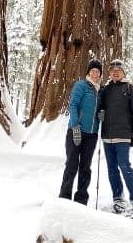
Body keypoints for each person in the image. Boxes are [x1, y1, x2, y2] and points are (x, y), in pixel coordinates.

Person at [98, 59, 133, 221]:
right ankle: (118, 199)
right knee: (112, 169)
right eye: (112, 70)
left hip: (123, 135)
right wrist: (100, 113)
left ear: (124, 72)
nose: (115, 72)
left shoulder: (130, 89)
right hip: (107, 136)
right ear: (109, 73)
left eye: (119, 69)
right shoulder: (106, 90)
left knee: (125, 167)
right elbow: (100, 107)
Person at [58, 59, 103, 205]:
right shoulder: (81, 85)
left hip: (91, 134)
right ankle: (64, 198)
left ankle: (81, 200)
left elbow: (99, 109)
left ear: (100, 74)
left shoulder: (100, 91)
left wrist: (101, 114)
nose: (95, 73)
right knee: (71, 164)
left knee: (85, 167)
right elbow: (73, 105)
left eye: (98, 71)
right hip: (75, 131)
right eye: (93, 70)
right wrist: (75, 126)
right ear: (88, 72)